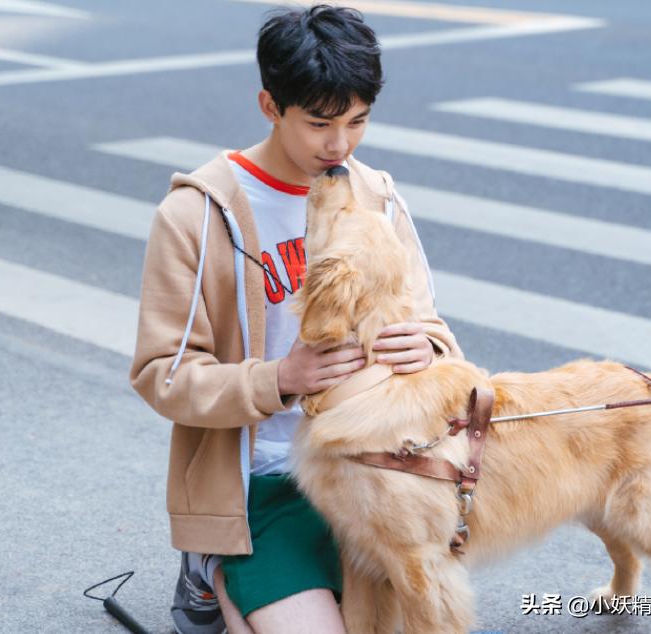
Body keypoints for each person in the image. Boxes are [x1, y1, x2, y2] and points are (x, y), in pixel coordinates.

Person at [129, 4, 461, 633]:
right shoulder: (199, 213)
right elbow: (160, 373)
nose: (339, 145)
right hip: (262, 483)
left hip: (376, 466)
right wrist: (280, 377)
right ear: (269, 105)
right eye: (319, 123)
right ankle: (211, 561)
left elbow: (433, 324)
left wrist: (429, 347)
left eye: (358, 121)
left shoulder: (377, 197)